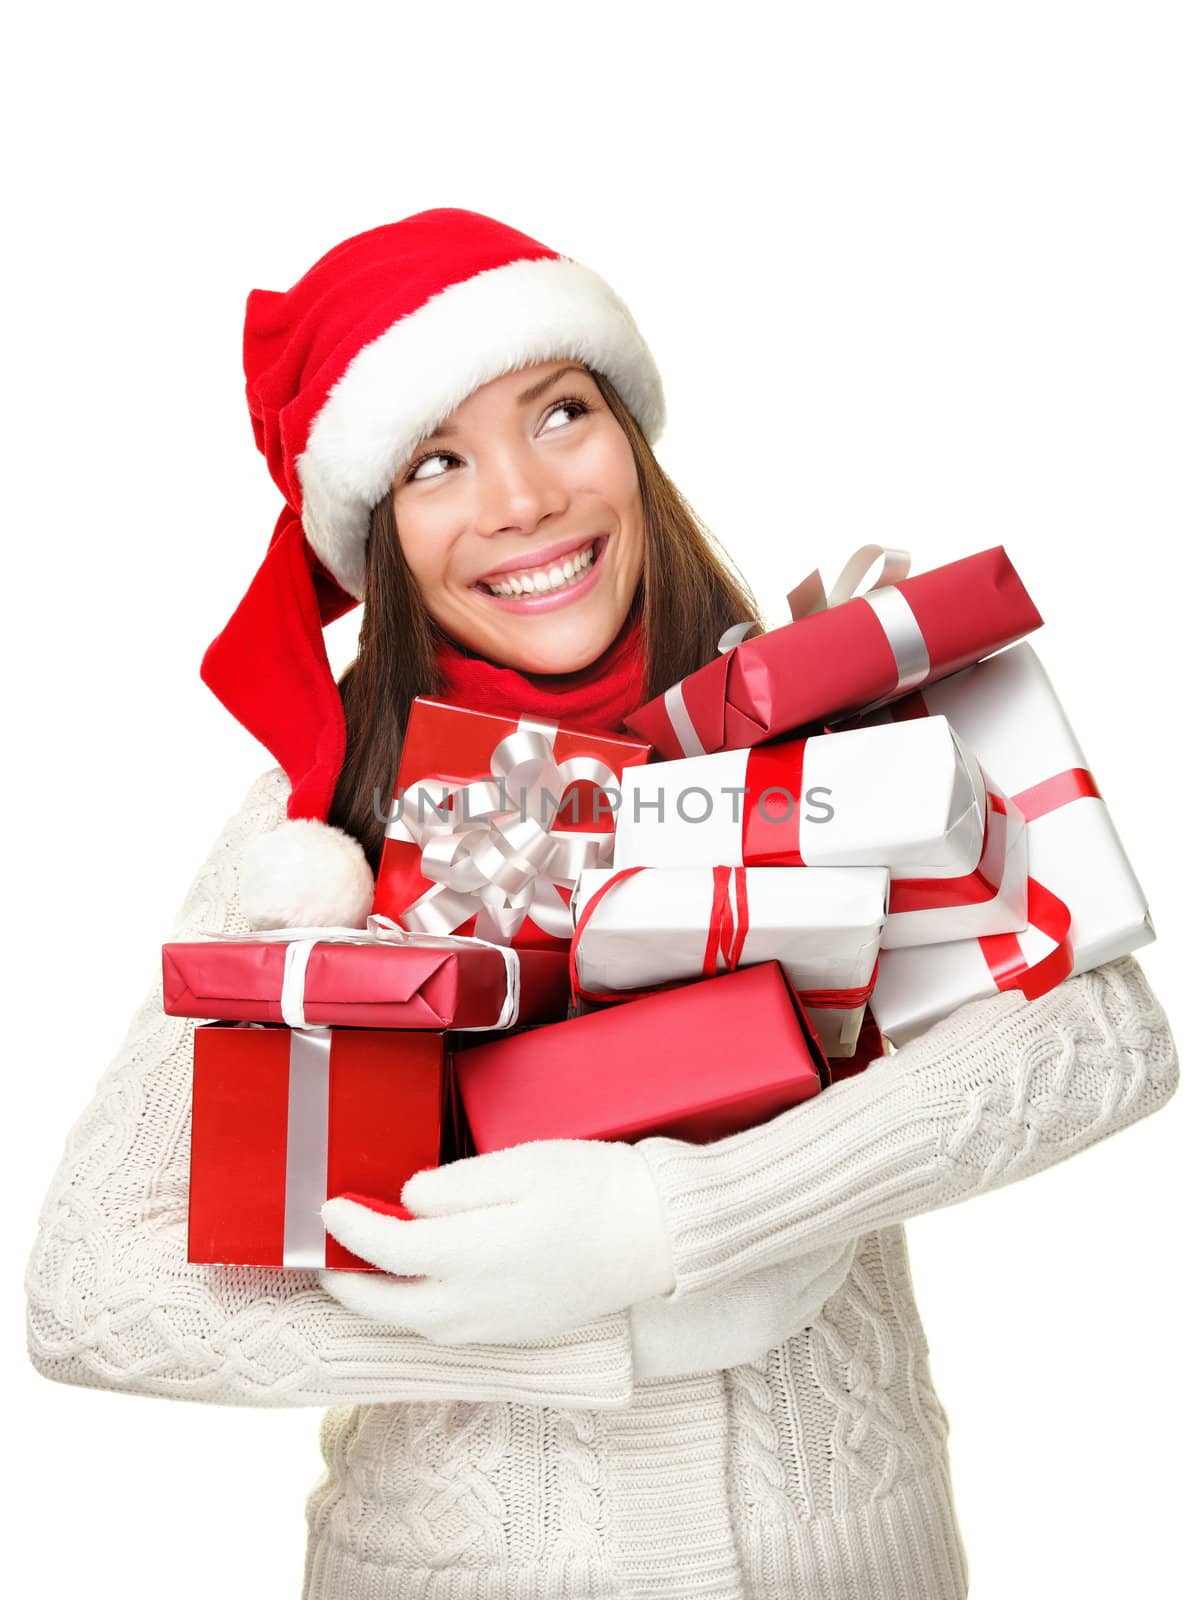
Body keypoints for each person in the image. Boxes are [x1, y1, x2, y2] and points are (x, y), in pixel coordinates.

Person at [25, 208, 1179, 1600]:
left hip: (843, 1560)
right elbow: (88, 1292)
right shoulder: (317, 839)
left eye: (559, 412)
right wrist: (573, 1329)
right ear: (380, 531)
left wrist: (684, 1219)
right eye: (437, 460)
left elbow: (1105, 1042)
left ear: (632, 436)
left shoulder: (827, 720)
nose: (519, 498)